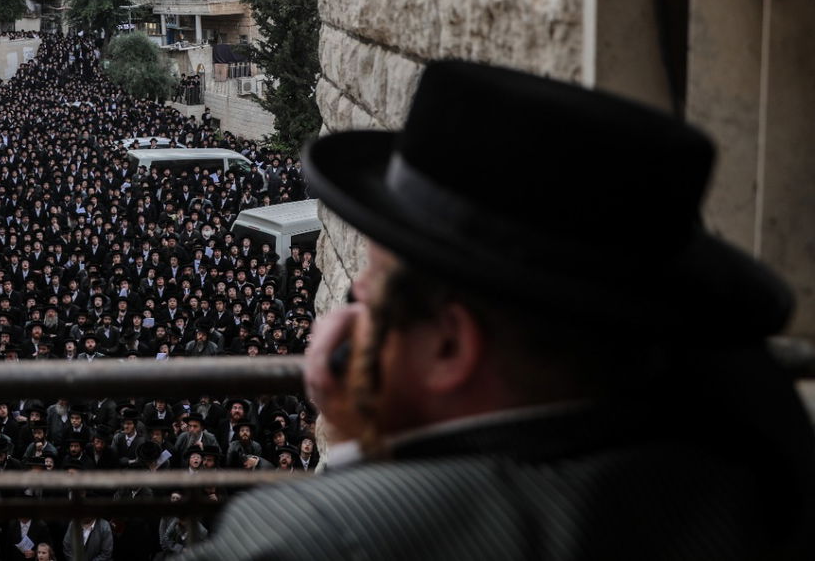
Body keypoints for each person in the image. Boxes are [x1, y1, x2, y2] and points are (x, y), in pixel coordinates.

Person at [187, 60, 815, 560]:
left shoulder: (316, 535)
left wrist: (357, 436)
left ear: (450, 347)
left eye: (366, 297)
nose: (344, 319)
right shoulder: (751, 478)